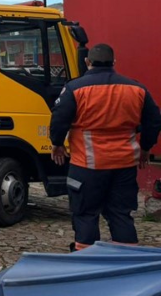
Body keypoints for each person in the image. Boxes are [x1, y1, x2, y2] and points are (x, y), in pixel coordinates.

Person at [50, 43, 161, 251]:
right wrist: (145, 148)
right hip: (124, 164)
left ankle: (86, 260)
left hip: (87, 165)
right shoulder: (136, 88)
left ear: (87, 62)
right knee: (121, 213)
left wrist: (57, 144)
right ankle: (127, 260)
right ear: (114, 62)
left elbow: (59, 119)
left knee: (85, 213)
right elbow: (154, 121)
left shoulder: (75, 89)